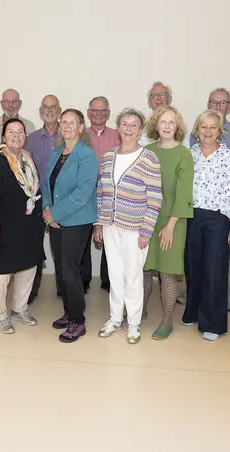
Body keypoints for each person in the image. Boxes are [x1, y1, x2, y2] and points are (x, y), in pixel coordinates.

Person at [94, 108, 162, 345]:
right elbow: (101, 192)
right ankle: (115, 318)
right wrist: (99, 224)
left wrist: (147, 230)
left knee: (133, 276)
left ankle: (133, 323)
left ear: (140, 129)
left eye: (134, 125)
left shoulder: (149, 158)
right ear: (118, 127)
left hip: (135, 228)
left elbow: (155, 198)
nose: (129, 129)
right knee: (114, 275)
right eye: (125, 124)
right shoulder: (110, 156)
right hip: (110, 226)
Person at [181, 87, 230, 312]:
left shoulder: (228, 156)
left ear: (220, 131)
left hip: (219, 220)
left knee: (215, 270)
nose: (208, 131)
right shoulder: (189, 155)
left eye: (213, 128)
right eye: (203, 127)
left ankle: (213, 321)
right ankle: (192, 312)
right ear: (197, 131)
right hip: (192, 217)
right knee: (193, 268)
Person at [0, 119, 45, 334]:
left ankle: (19, 308)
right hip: (4, 232)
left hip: (28, 230)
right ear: (4, 137)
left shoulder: (27, 161)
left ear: (25, 136)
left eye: (20, 131)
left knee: (27, 270)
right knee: (0, 275)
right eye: (11, 132)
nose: (16, 135)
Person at [41, 109, 98, 343]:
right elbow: (46, 184)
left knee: (71, 272)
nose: (66, 126)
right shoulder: (57, 152)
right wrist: (47, 210)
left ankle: (78, 321)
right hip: (54, 220)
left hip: (77, 220)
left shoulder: (87, 155)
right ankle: (68, 312)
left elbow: (82, 194)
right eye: (63, 122)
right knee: (61, 271)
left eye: (71, 123)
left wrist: (54, 213)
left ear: (81, 127)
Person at [141, 106, 193, 340]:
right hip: (146, 219)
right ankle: (138, 311)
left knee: (167, 273)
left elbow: (184, 196)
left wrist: (170, 226)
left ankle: (166, 320)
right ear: (155, 124)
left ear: (177, 127)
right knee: (142, 269)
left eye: (172, 122)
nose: (167, 126)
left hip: (173, 220)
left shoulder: (184, 153)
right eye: (162, 121)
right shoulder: (147, 151)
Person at [25, 94, 63, 303]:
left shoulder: (67, 136)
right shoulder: (31, 140)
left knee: (61, 248)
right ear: (40, 112)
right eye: (45, 107)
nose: (49, 111)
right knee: (34, 247)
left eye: (53, 107)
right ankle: (32, 289)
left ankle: (63, 288)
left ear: (59, 110)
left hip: (61, 201)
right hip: (37, 200)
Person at [85, 96, 121, 293]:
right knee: (82, 235)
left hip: (110, 193)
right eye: (94, 110)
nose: (98, 114)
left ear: (108, 114)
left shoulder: (118, 135)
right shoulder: (80, 135)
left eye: (102, 111)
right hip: (85, 192)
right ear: (89, 113)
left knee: (110, 235)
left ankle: (108, 279)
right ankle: (83, 279)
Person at [139, 81, 173, 146]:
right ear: (149, 103)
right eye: (154, 95)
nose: (158, 98)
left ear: (170, 100)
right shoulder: (141, 127)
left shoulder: (178, 125)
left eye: (162, 94)